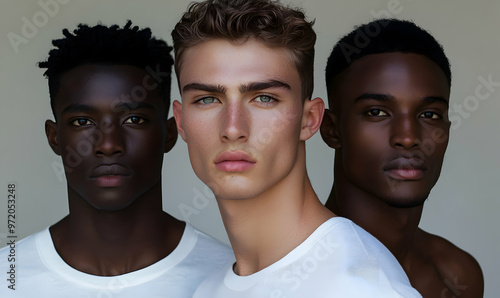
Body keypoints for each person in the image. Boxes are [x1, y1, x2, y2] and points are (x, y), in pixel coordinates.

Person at [171, 1, 421, 297]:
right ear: (181, 121)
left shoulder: (360, 287)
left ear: (309, 119)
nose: (233, 128)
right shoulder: (209, 290)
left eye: (264, 98)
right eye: (207, 99)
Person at [0, 21, 233, 297]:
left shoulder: (231, 280)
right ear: (55, 137)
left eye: (134, 119)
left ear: (169, 133)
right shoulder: (8, 278)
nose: (108, 145)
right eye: (82, 121)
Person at [321, 18, 484, 297]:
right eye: (377, 112)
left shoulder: (456, 274)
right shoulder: (291, 272)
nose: (408, 138)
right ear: (332, 129)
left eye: (429, 115)